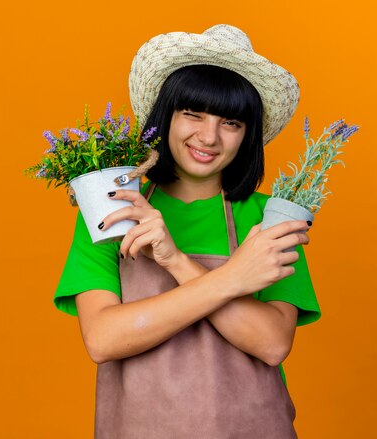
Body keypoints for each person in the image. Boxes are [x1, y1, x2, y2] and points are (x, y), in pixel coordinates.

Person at [54, 24, 321, 439]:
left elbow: (271, 343)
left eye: (230, 122)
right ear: (166, 116)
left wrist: (176, 260)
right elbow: (104, 339)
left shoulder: (270, 216)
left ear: (247, 134)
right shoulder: (114, 207)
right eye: (192, 113)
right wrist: (234, 278)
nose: (208, 136)